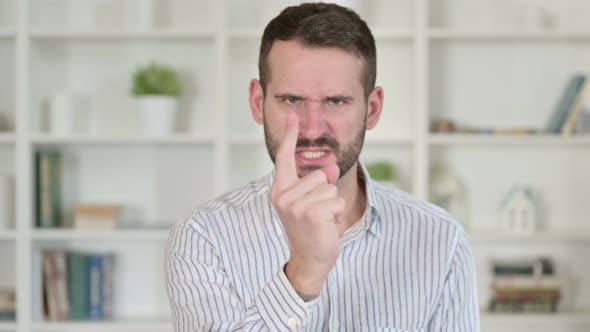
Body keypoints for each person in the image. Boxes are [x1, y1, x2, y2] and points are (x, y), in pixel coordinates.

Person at [165, 3, 479, 331]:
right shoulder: (203, 238)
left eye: (336, 101)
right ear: (258, 103)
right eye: (291, 100)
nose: (312, 129)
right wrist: (304, 271)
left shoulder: (441, 239)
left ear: (372, 110)